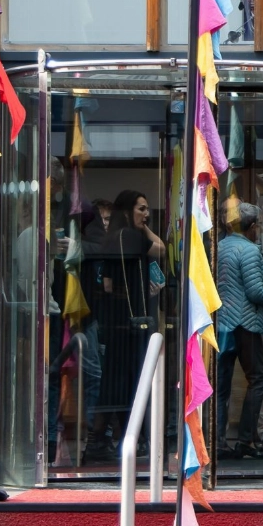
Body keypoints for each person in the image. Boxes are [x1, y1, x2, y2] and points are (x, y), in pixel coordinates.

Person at [216, 203, 263, 460]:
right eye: (257, 226)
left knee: (221, 384)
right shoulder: (248, 250)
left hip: (223, 322)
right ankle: (246, 440)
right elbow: (255, 292)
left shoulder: (220, 246)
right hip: (245, 323)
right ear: (250, 227)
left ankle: (217, 441)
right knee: (259, 379)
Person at [95, 191, 165, 453]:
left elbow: (108, 285)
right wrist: (145, 229)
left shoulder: (111, 239)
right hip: (134, 325)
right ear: (127, 212)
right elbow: (162, 248)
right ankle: (131, 438)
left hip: (115, 323)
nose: (146, 215)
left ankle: (99, 438)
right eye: (141, 210)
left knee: (113, 381)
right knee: (132, 381)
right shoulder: (135, 237)